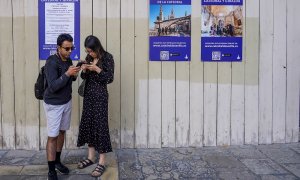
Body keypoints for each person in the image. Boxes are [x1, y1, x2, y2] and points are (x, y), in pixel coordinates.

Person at [43, 33, 80, 180]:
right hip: (53, 104)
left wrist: (75, 72)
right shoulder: (51, 62)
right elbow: (52, 87)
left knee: (62, 132)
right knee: (53, 136)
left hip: (66, 102)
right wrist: (67, 74)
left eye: (71, 48)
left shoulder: (69, 59)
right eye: (67, 48)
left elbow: (69, 80)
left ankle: (57, 161)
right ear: (59, 48)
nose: (70, 51)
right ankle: (51, 170)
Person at [77, 35, 114, 177]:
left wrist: (97, 69)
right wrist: (85, 70)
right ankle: (91, 157)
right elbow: (84, 78)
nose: (89, 54)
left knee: (100, 126)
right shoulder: (88, 58)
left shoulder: (108, 57)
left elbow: (110, 78)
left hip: (100, 97)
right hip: (89, 96)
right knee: (89, 124)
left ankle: (102, 161)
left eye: (91, 51)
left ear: (97, 48)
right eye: (87, 51)